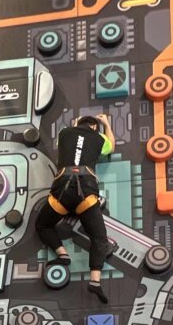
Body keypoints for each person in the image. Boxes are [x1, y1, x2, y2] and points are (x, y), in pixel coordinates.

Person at [36, 113, 116, 303]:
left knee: (42, 225)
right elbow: (112, 146)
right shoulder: (99, 138)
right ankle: (95, 280)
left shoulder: (65, 133)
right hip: (86, 194)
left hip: (62, 193)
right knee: (99, 238)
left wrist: (75, 124)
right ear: (95, 127)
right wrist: (106, 124)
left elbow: (72, 139)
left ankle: (62, 255)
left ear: (77, 123)